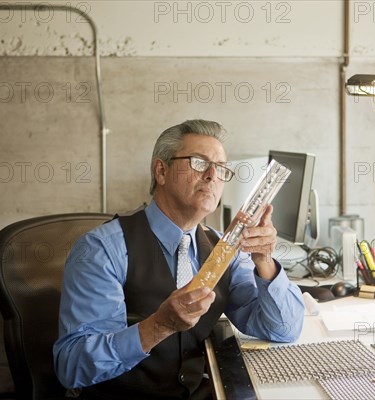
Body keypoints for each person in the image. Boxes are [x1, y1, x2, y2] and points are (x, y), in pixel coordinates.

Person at [53, 119, 305, 399]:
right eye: (199, 162)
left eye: (221, 168)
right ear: (161, 171)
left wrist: (265, 261)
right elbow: (72, 367)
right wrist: (159, 325)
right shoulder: (102, 250)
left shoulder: (224, 250)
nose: (212, 175)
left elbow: (284, 330)